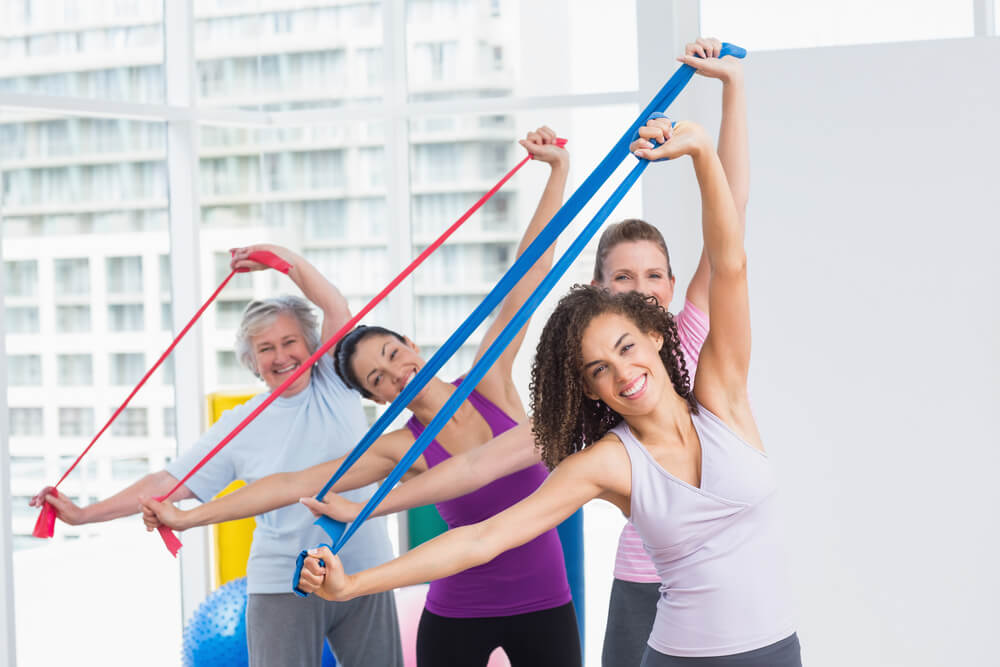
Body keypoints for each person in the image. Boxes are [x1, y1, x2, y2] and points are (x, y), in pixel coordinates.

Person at [300, 36, 749, 667]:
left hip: (729, 581)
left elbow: (729, 221)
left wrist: (730, 94)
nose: (643, 290)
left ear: (673, 286)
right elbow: (475, 479)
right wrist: (353, 511)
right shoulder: (596, 392)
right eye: (624, 279)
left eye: (655, 277)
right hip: (645, 575)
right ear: (600, 292)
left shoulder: (699, 338)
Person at [142, 127, 582, 667]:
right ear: (378, 399)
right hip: (458, 612)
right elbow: (289, 485)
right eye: (377, 379)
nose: (395, 374)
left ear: (412, 347)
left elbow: (529, 273)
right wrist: (190, 517)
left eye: (393, 355)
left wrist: (557, 169)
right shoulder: (401, 448)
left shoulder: (492, 384)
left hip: (545, 603)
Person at [31, 245, 403, 667]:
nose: (280, 357)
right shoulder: (240, 424)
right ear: (252, 360)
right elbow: (166, 483)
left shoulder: (335, 381)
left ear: (312, 344)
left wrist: (280, 258)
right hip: (284, 581)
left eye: (289, 342)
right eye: (265, 348)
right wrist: (83, 514)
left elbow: (334, 304)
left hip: (364, 567)